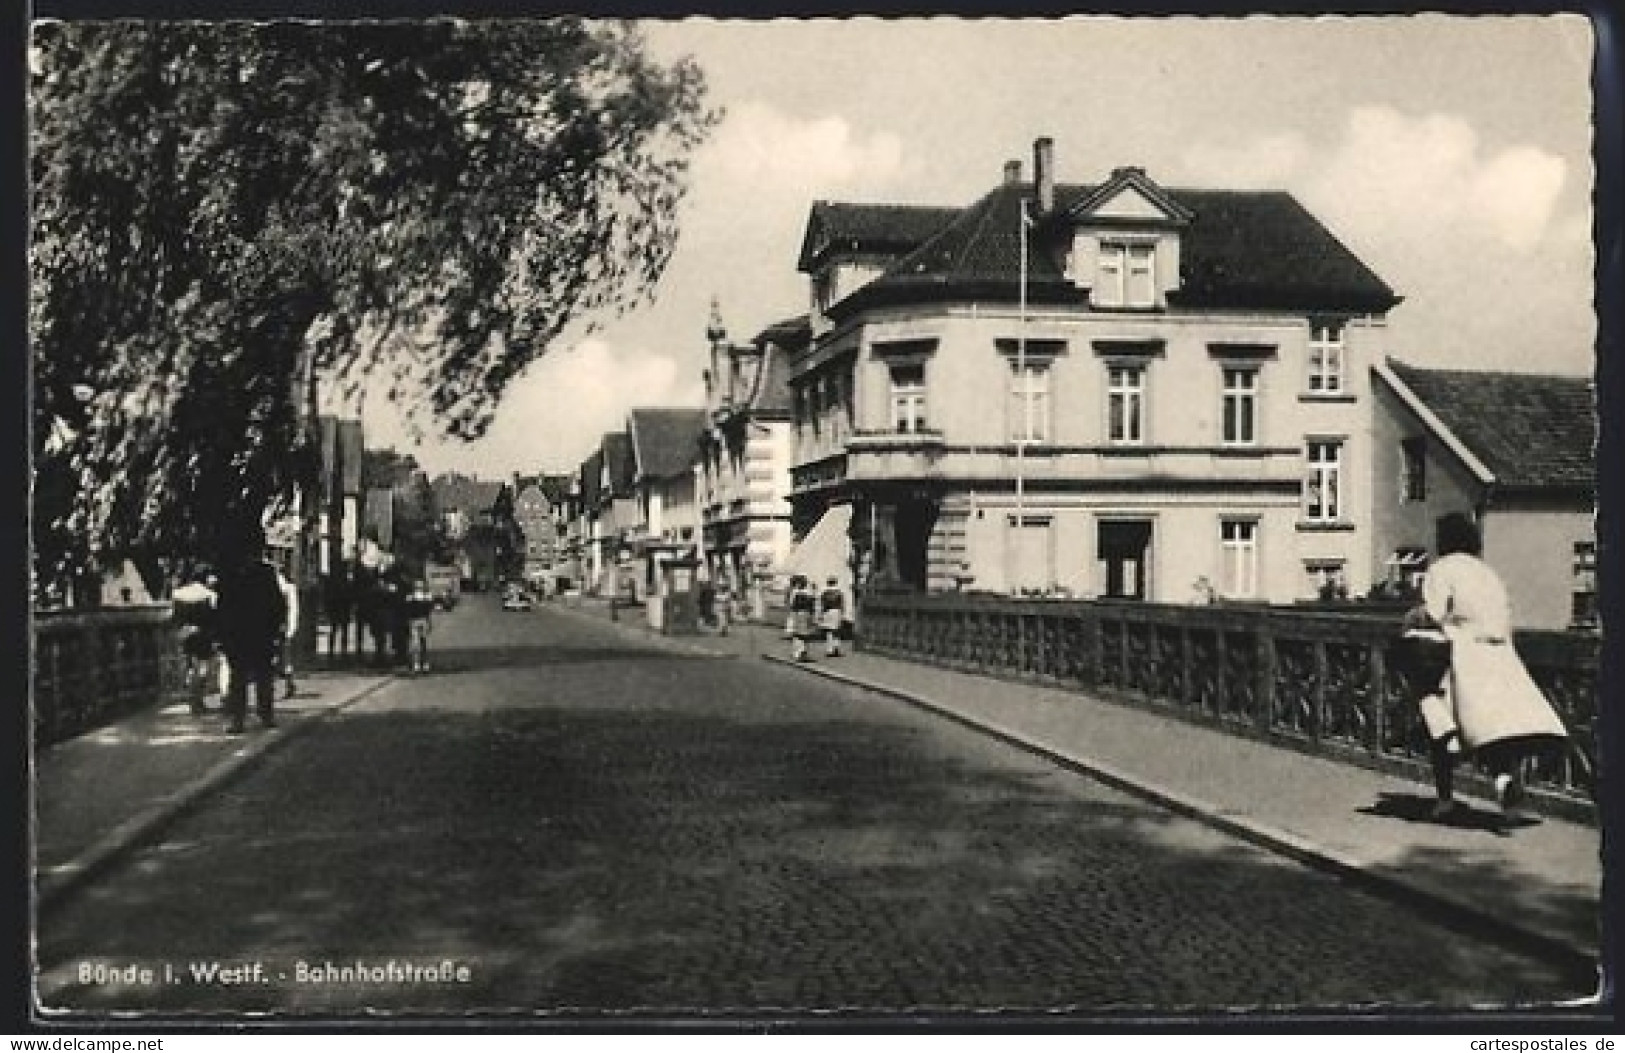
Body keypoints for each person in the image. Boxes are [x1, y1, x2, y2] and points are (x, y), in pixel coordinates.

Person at [1421, 512, 1570, 817]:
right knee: (1498, 729)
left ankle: (1445, 798)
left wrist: (1415, 620)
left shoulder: (1441, 570)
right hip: (1501, 657)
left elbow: (1433, 614)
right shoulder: (1488, 573)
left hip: (1463, 655)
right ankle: (1504, 783)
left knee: (1437, 719)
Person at [215, 525, 288, 734]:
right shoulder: (263, 574)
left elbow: (223, 607)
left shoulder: (233, 574)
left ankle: (246, 717)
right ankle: (256, 716)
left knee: (246, 677)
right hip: (253, 633)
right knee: (254, 676)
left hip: (248, 633)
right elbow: (277, 604)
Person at [274, 561, 299, 698]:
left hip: (280, 627)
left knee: (280, 657)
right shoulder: (289, 587)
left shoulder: (286, 588)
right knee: (284, 658)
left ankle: (285, 686)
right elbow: (294, 609)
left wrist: (290, 627)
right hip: (281, 627)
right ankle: (287, 685)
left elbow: (293, 609)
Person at [405, 579, 436, 673]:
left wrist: (429, 622)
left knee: (423, 643)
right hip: (414, 621)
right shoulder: (410, 597)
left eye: (420, 586)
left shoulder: (427, 597)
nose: (419, 588)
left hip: (423, 620)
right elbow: (407, 612)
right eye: (417, 586)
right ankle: (416, 663)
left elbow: (429, 611)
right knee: (415, 644)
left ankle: (424, 663)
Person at [787, 575, 818, 662]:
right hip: (804, 613)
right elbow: (812, 603)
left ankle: (796, 653)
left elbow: (791, 604)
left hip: (797, 613)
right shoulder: (806, 593)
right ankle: (802, 653)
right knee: (803, 634)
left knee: (797, 633)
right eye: (804, 582)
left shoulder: (794, 592)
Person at [818, 576, 846, 658]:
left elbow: (822, 604)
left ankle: (829, 650)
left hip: (827, 612)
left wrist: (821, 614)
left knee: (829, 631)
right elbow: (842, 604)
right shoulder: (839, 592)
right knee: (836, 631)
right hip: (837, 611)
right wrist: (842, 614)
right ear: (835, 582)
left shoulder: (825, 593)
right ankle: (836, 648)